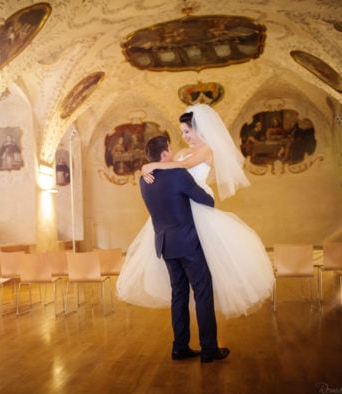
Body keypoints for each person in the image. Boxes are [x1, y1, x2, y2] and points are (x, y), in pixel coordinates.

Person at [116, 103, 274, 320]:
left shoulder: (207, 150)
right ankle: (201, 342)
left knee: (205, 274)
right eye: (182, 133)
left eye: (187, 131)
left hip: (197, 204)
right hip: (178, 210)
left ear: (199, 129)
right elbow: (172, 168)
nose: (185, 136)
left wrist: (151, 166)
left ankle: (197, 338)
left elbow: (185, 166)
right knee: (186, 287)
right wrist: (147, 167)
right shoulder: (180, 152)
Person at [136, 134, 230, 363]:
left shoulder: (144, 179)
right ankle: (209, 349)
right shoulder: (178, 174)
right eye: (170, 147)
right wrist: (205, 189)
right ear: (165, 153)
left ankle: (180, 347)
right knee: (202, 293)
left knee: (178, 295)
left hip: (165, 244)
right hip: (188, 243)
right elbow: (207, 202)